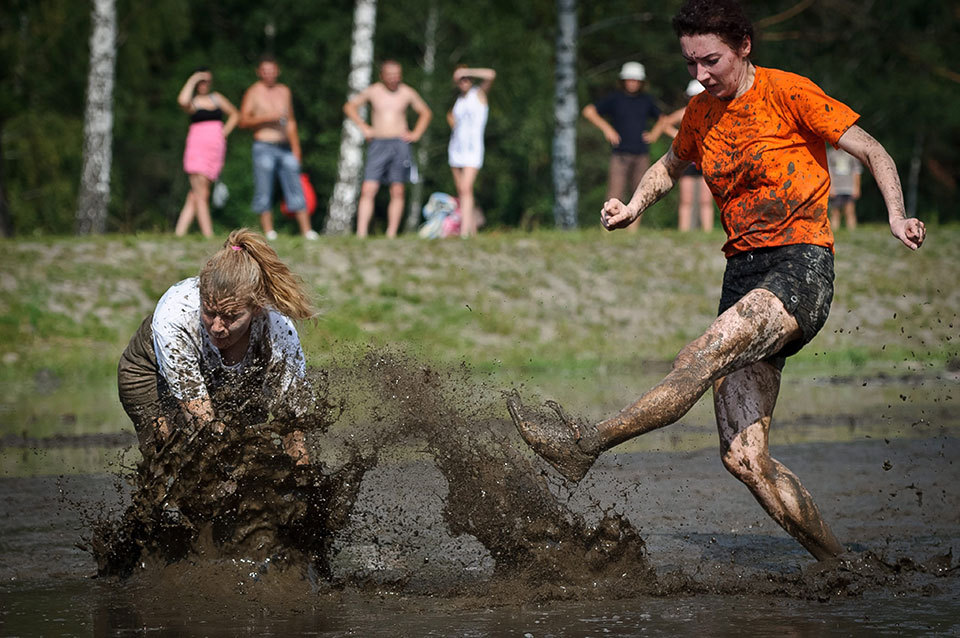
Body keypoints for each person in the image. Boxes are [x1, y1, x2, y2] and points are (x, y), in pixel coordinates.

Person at [509, 0, 926, 562]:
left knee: (698, 356)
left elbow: (872, 149)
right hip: (743, 276)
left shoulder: (788, 92)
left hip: (799, 267)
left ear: (743, 46)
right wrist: (634, 205)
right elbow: (669, 164)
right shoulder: (701, 113)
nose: (700, 75)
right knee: (745, 461)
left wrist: (897, 216)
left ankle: (586, 444)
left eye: (711, 61)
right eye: (690, 64)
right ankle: (843, 567)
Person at [118, 228, 317, 466]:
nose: (217, 327)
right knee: (174, 455)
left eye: (230, 316)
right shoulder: (176, 314)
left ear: (256, 308)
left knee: (250, 451)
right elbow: (200, 418)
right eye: (209, 313)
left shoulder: (277, 328)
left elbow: (292, 414)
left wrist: (303, 473)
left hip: (228, 373)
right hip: (149, 371)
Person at [344, 60, 432, 238]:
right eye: (390, 75)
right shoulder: (373, 91)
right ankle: (361, 233)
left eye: (397, 74)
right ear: (382, 75)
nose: (394, 78)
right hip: (378, 144)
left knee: (398, 189)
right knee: (369, 188)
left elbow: (426, 112)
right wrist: (364, 127)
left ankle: (391, 233)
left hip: (400, 144)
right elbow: (349, 107)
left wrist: (416, 133)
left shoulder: (407, 92)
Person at [239, 55, 318, 241]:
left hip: (284, 146)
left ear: (278, 71)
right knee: (264, 187)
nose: (269, 74)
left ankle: (306, 231)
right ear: (259, 72)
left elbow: (290, 121)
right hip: (263, 145)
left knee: (296, 185)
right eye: (265, 71)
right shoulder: (254, 92)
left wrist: (296, 148)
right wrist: (268, 117)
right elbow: (243, 120)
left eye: (272, 70)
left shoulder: (284, 91)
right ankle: (269, 231)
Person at [581, 61, 661, 231]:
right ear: (623, 80)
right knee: (614, 192)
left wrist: (654, 133)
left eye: (635, 80)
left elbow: (662, 118)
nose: (632, 82)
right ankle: (607, 229)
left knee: (639, 194)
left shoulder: (646, 100)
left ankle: (633, 231)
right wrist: (607, 128)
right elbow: (588, 111)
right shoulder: (615, 99)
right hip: (620, 154)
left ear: (641, 82)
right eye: (629, 79)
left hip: (641, 152)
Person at [175, 68, 239, 238]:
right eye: (201, 81)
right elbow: (182, 101)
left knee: (196, 193)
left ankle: (179, 233)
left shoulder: (216, 98)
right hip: (197, 148)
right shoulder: (193, 102)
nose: (204, 84)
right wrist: (193, 78)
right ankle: (208, 234)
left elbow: (235, 114)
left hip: (215, 150)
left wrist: (224, 133)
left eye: (207, 81)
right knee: (201, 193)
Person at [646, 79, 714, 231]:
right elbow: (665, 123)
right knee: (686, 199)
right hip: (689, 160)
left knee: (706, 200)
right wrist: (679, 136)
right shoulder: (684, 112)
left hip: (706, 159)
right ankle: (683, 230)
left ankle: (707, 231)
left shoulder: (712, 112)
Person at [447, 66, 496, 238]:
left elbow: (491, 74)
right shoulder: (458, 99)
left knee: (466, 188)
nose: (464, 81)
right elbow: (451, 118)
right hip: (456, 149)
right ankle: (472, 229)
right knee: (462, 191)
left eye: (466, 78)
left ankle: (465, 230)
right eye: (460, 79)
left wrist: (468, 72)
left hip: (473, 150)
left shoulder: (479, 94)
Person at [827, 146, 863, 230]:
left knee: (850, 211)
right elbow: (829, 172)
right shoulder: (830, 153)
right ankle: (835, 234)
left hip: (849, 187)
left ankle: (852, 234)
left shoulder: (852, 154)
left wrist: (857, 187)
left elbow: (857, 172)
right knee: (835, 212)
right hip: (836, 188)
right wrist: (831, 187)